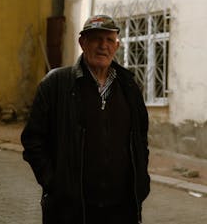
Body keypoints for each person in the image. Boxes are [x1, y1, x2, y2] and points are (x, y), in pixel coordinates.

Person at [21, 14, 150, 224]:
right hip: (73, 209)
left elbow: (140, 138)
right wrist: (54, 184)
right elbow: (33, 140)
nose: (103, 46)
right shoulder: (56, 84)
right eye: (96, 39)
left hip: (121, 208)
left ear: (116, 46)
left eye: (109, 40)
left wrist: (141, 182)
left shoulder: (129, 86)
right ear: (83, 43)